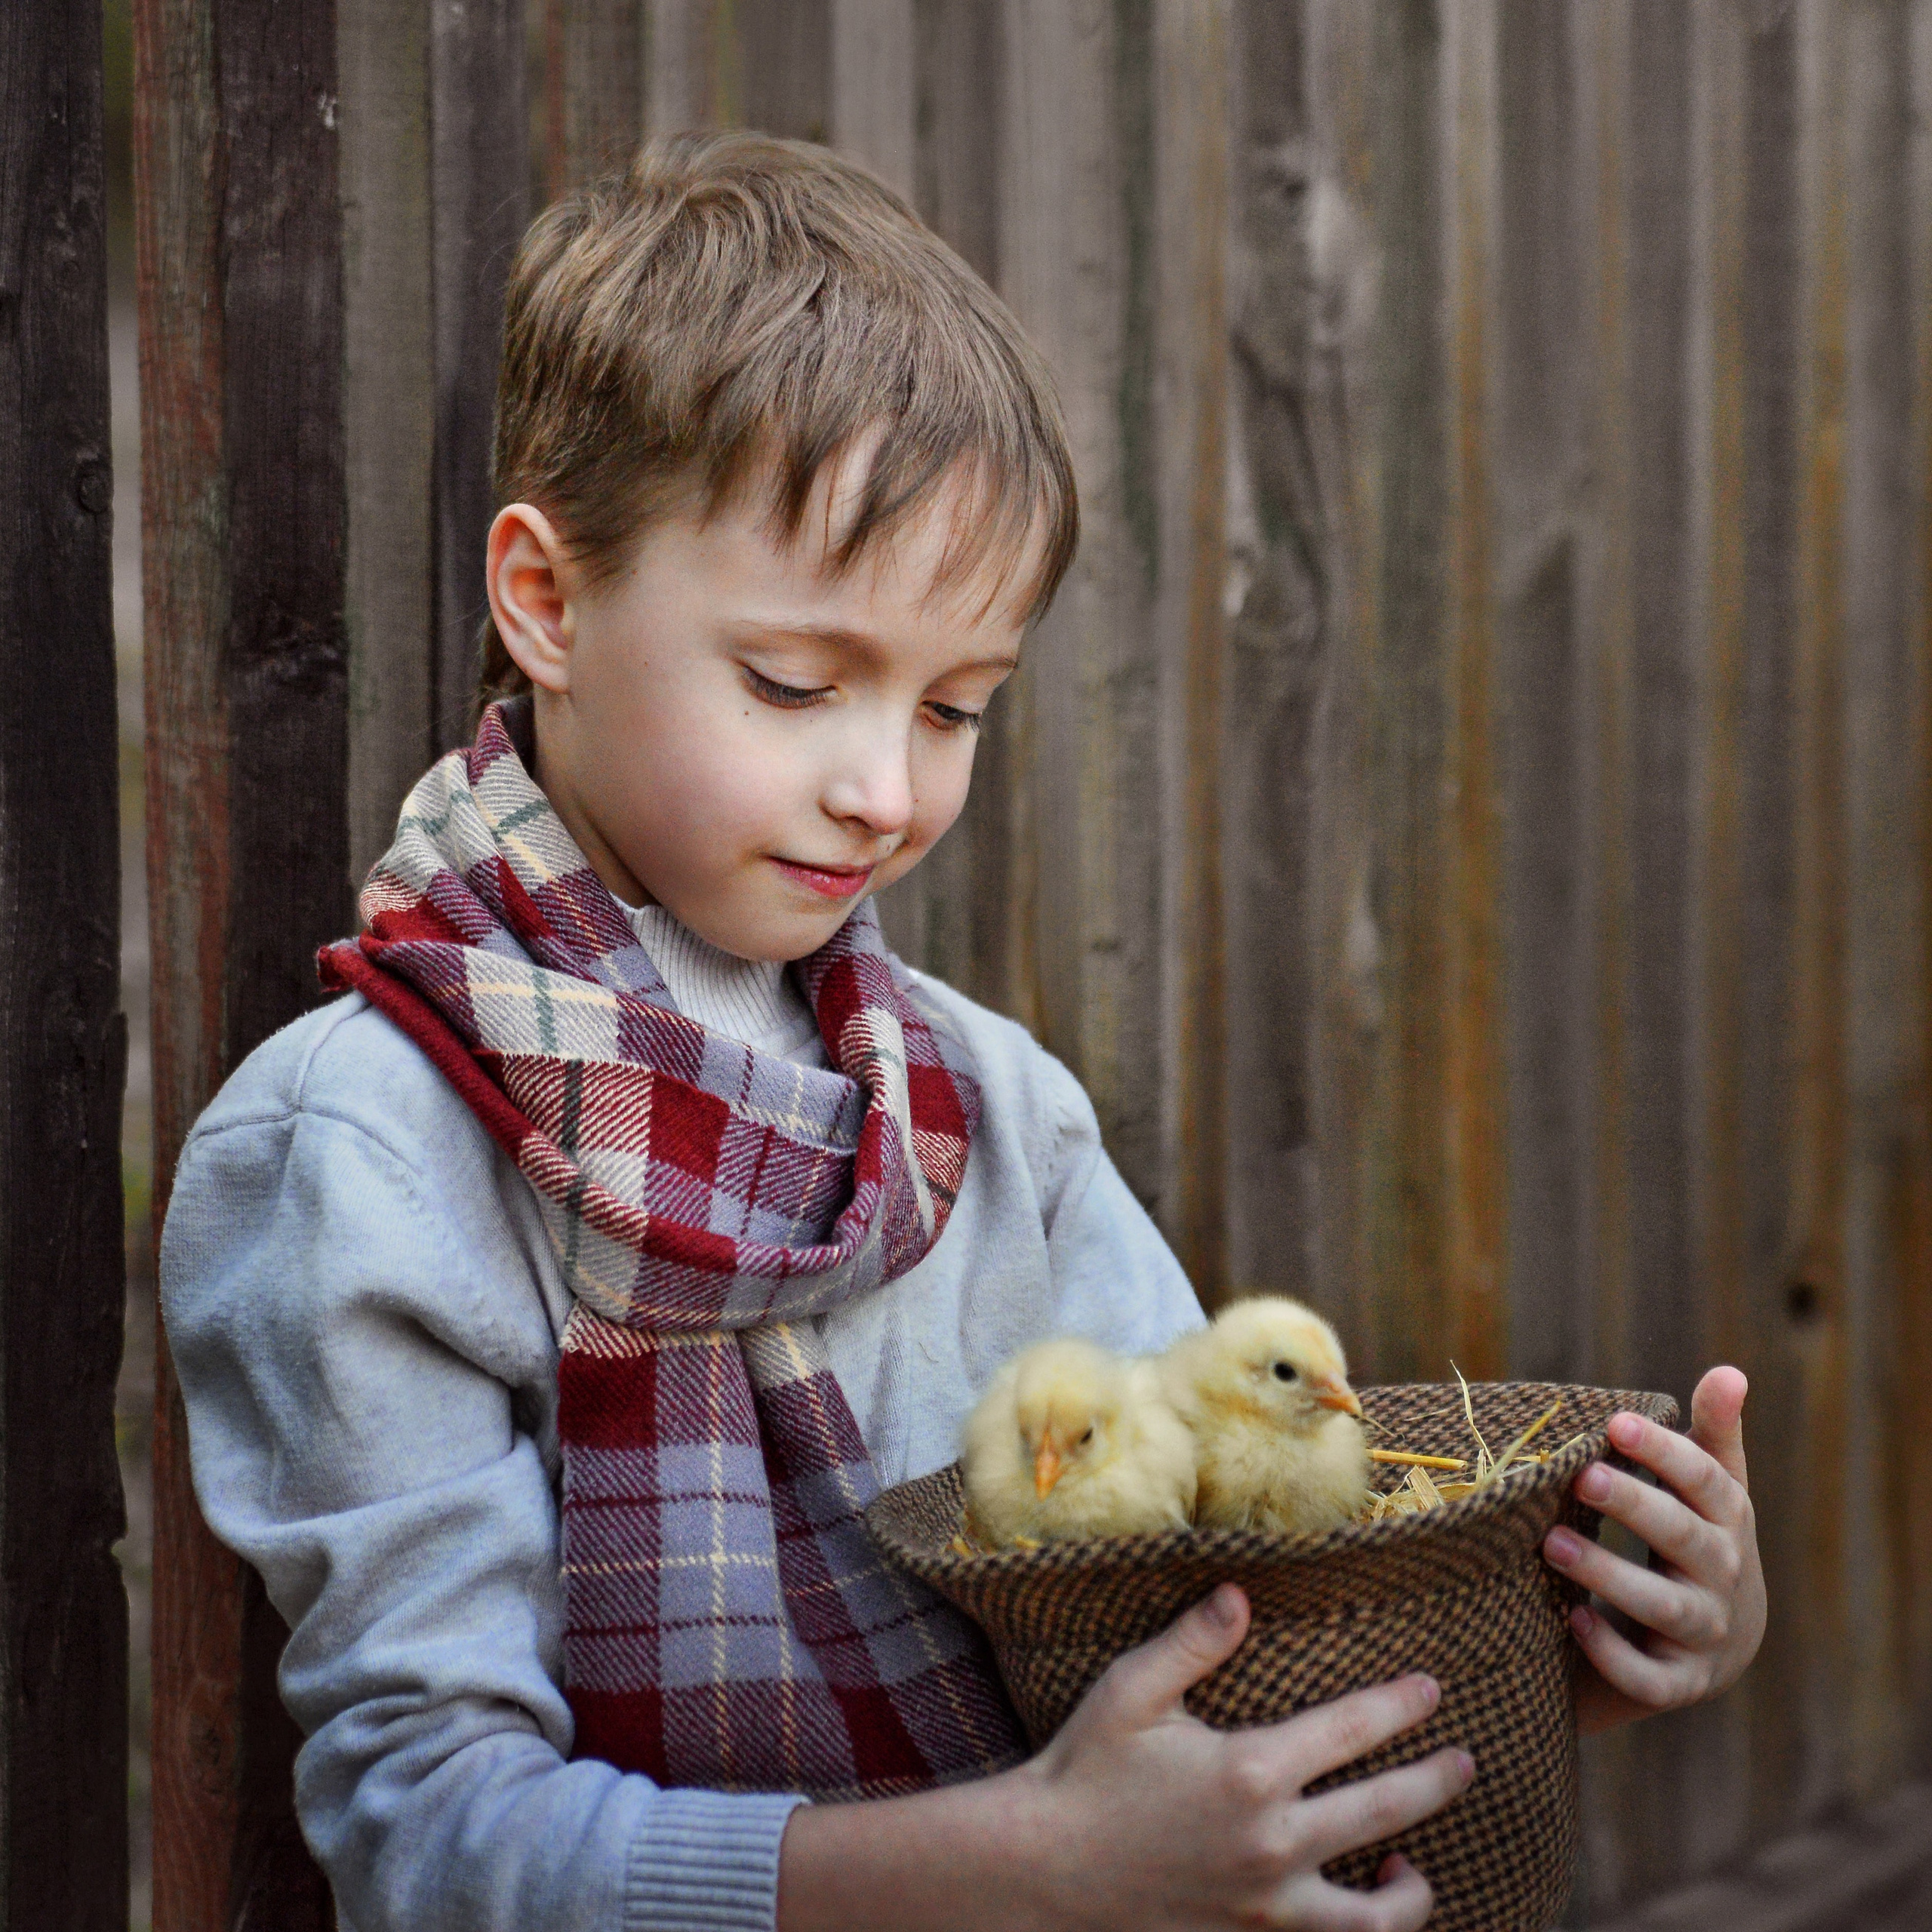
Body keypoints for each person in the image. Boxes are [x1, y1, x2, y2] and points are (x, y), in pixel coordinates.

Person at [159, 132, 1766, 1932]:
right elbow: (428, 1836)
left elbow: (1234, 1618)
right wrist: (1020, 1869)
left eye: (956, 705)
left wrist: (1556, 1646)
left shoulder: (986, 1109)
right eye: (792, 681)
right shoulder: (364, 1150)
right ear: (547, 601)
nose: (879, 787)